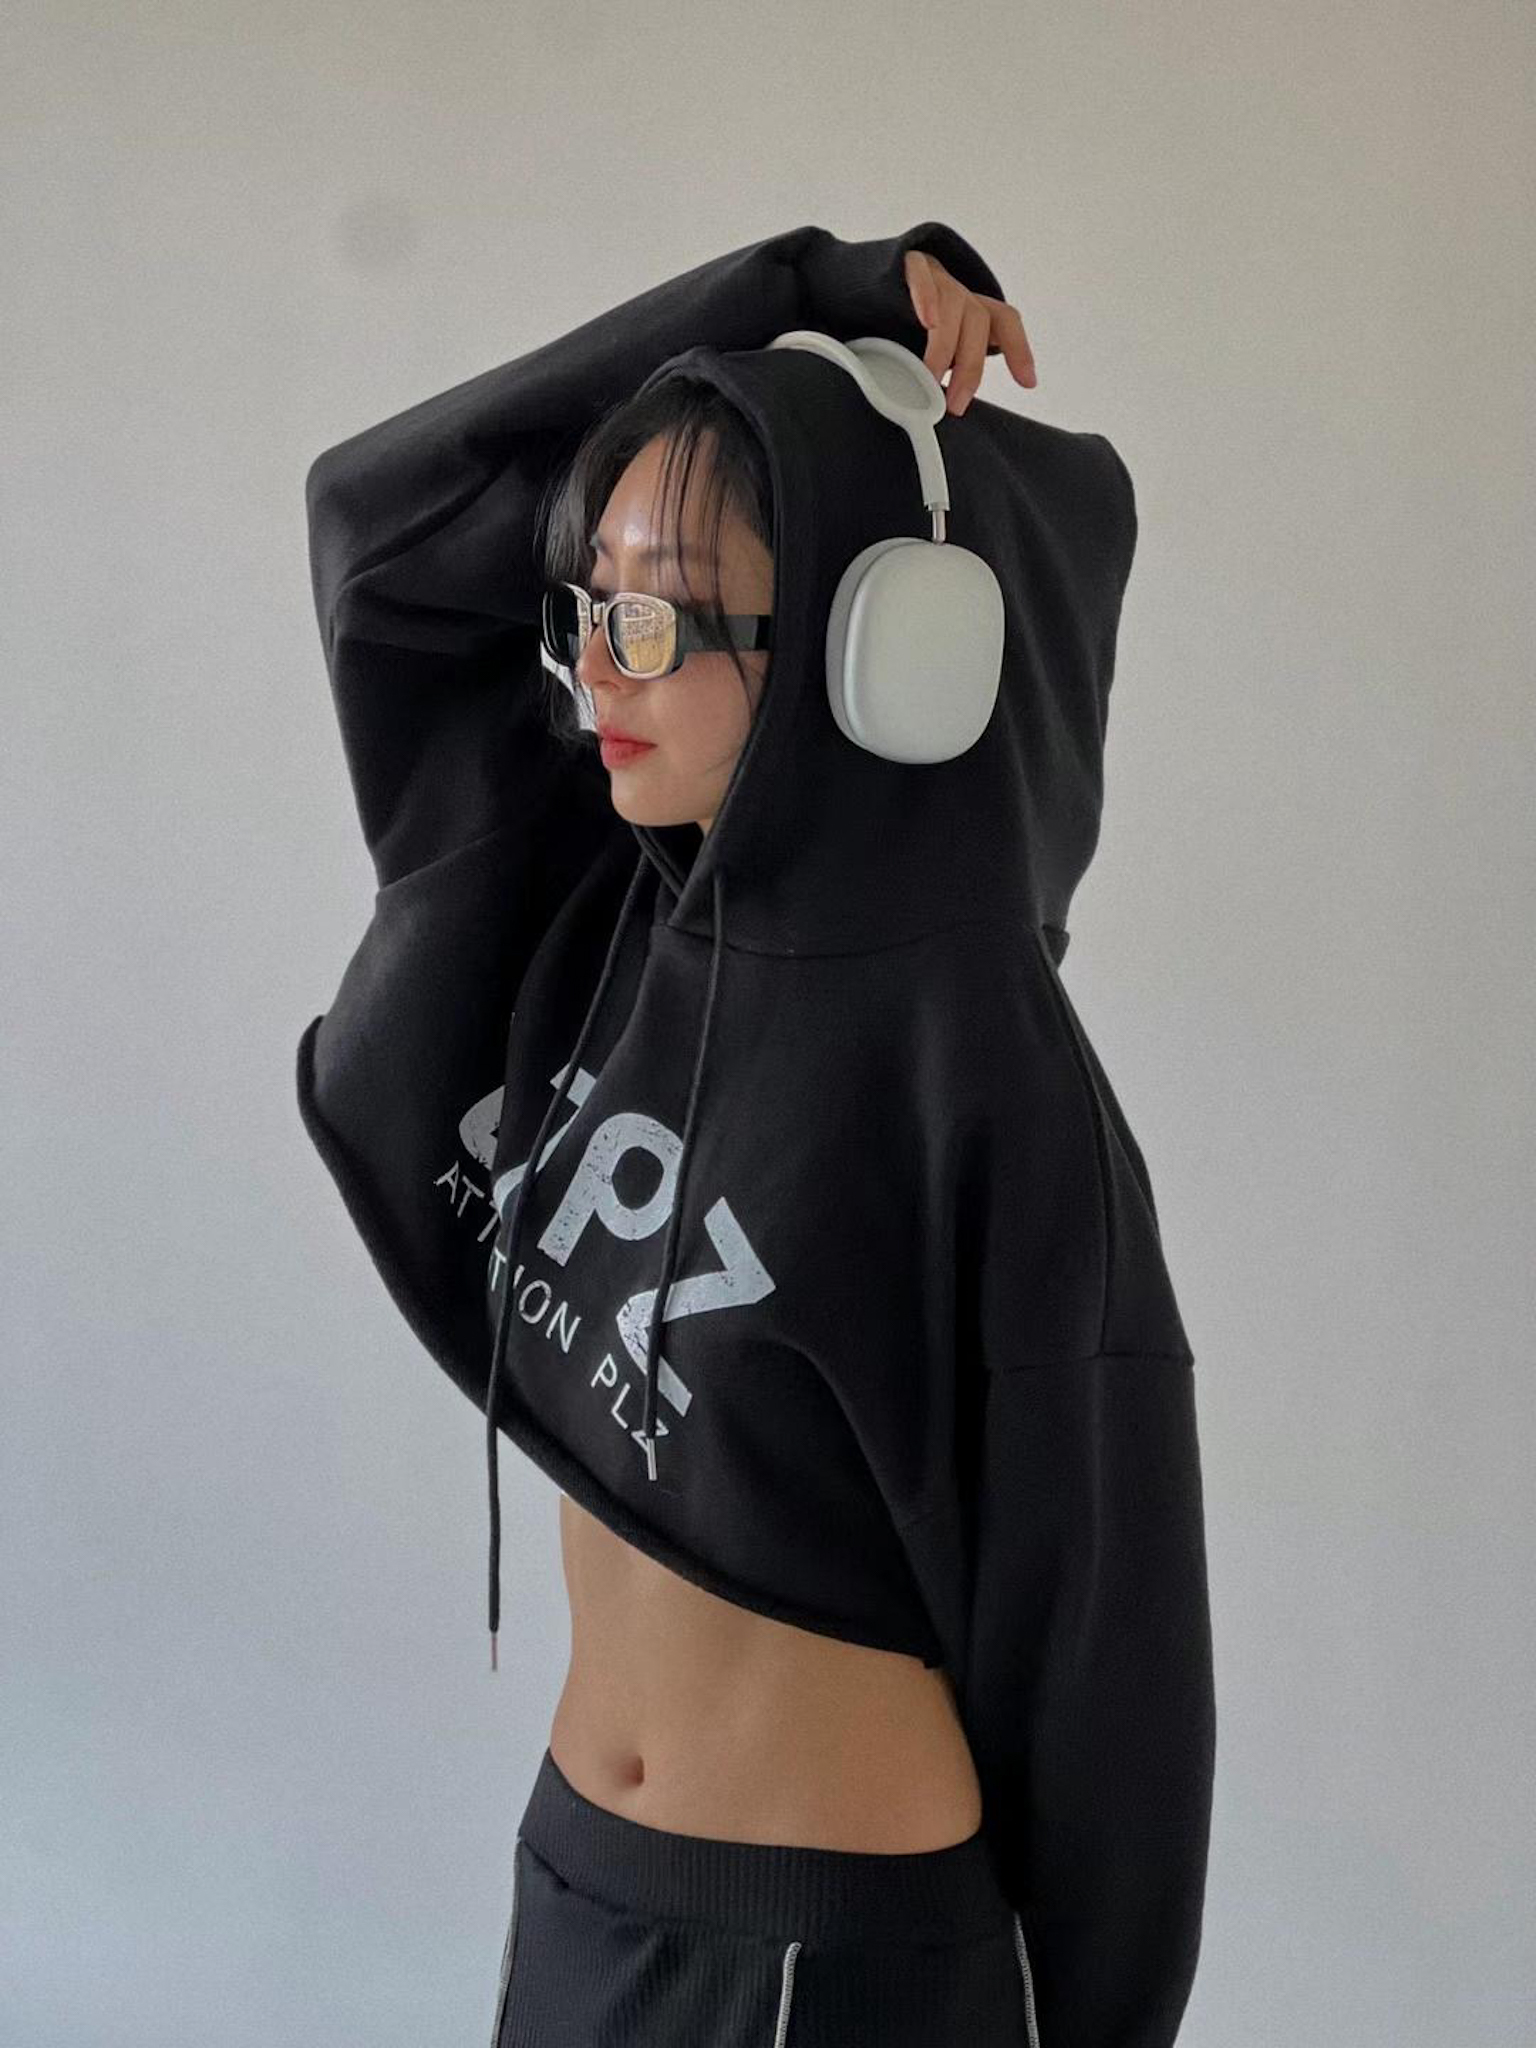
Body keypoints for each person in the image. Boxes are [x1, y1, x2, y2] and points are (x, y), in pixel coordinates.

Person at [296, 221, 1216, 2047]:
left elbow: (1113, 1675)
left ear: (885, 648)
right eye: (586, 609)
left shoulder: (988, 1078)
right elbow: (377, 529)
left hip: (832, 1961)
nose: (597, 674)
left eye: (659, 615)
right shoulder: (582, 910)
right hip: (574, 1884)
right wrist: (796, 299)